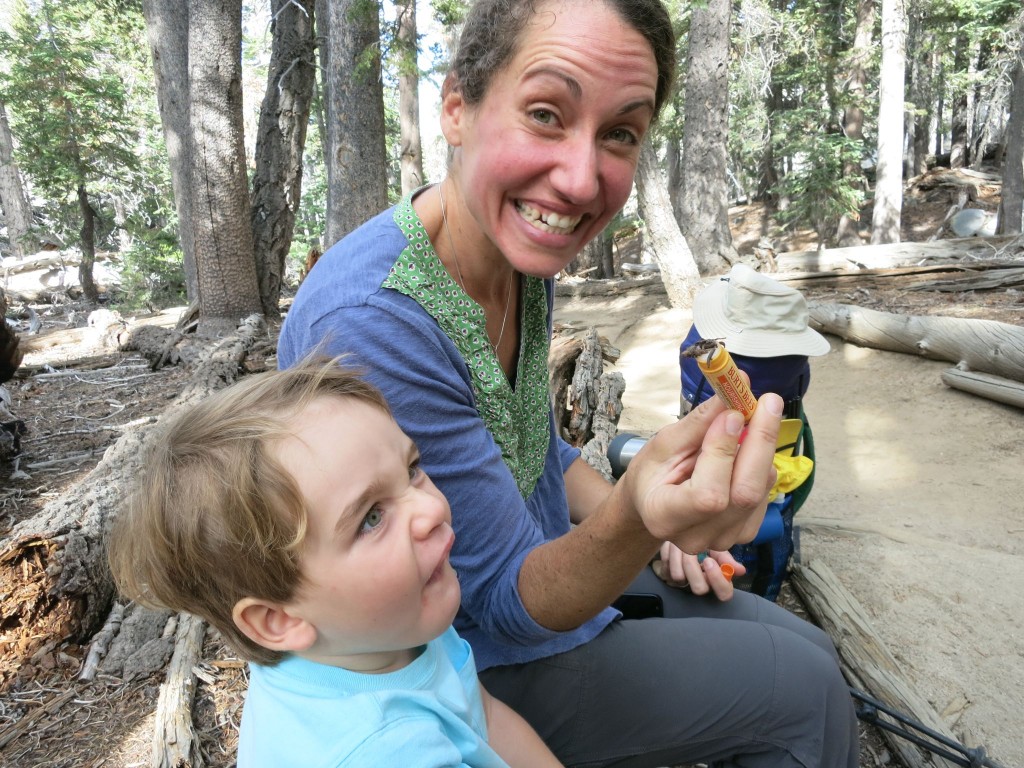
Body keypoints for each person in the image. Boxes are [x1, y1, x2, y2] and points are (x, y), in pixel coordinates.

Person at [278, 0, 860, 765]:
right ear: (458, 107)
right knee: (804, 693)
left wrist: (645, 525)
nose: (582, 180)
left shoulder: (511, 249)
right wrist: (639, 521)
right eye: (546, 113)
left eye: (620, 131)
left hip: (550, 591)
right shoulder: (374, 322)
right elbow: (503, 605)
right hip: (454, 671)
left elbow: (532, 448)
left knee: (808, 646)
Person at [107, 356, 563, 768]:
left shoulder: (386, 628)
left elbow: (482, 716)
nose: (432, 510)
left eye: (411, 471)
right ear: (278, 618)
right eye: (371, 518)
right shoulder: (381, 752)